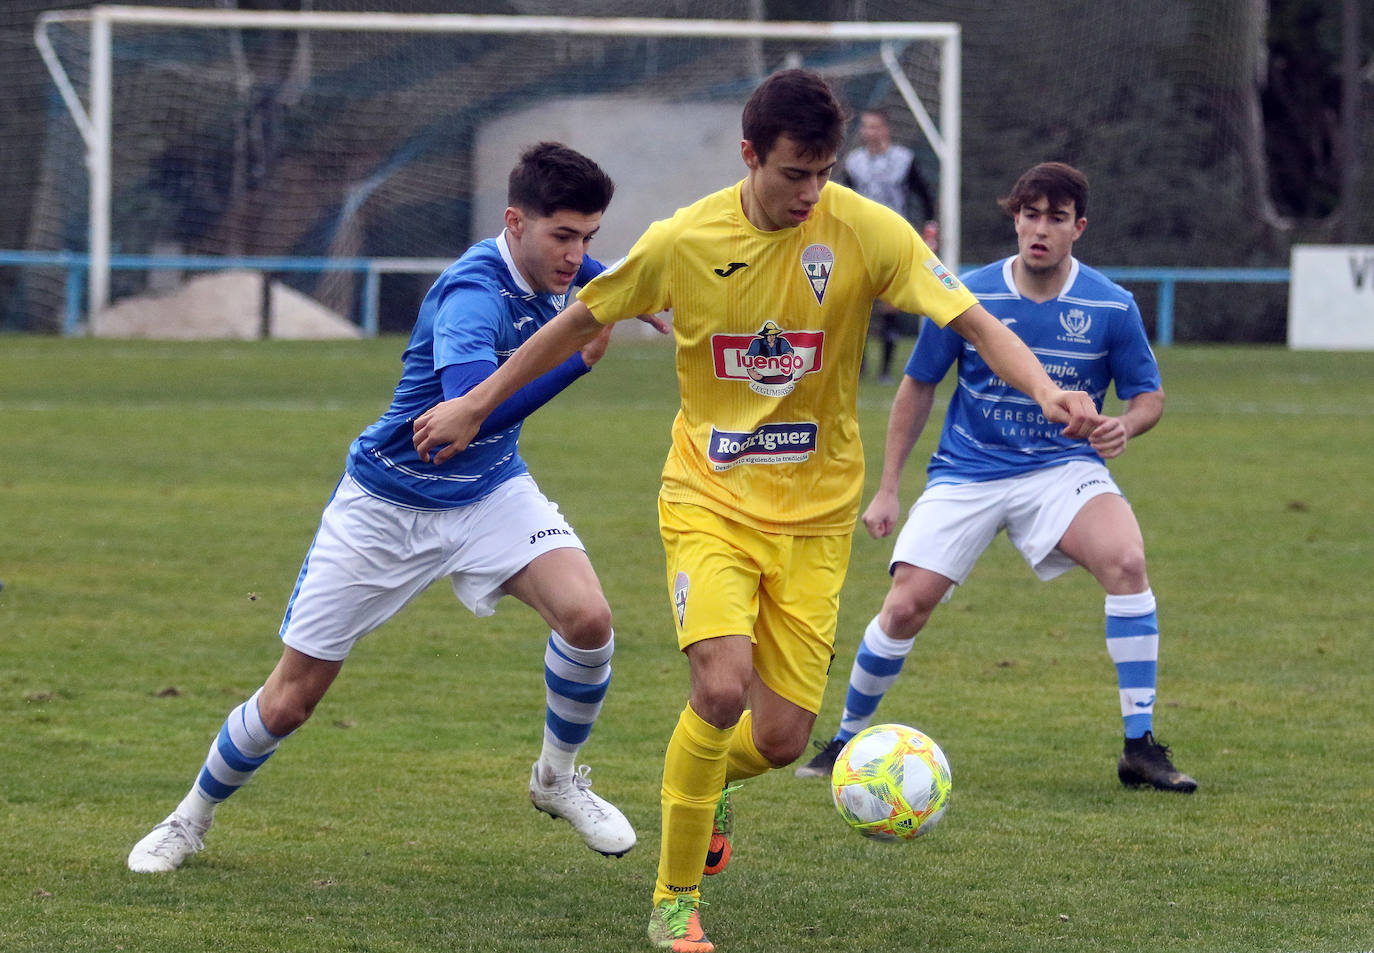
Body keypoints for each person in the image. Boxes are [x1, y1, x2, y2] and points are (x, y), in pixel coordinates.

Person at [410, 74, 1100, 953]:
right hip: (710, 500)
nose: (811, 192)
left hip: (817, 518)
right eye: (793, 173)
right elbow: (578, 319)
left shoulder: (866, 230)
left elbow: (973, 321)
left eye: (823, 173)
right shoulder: (685, 239)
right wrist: (475, 404)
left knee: (778, 739)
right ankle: (673, 902)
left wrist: (1045, 387)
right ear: (749, 156)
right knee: (720, 686)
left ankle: (717, 783)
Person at [126, 142, 665, 875]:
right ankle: (189, 818)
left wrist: (616, 282)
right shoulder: (471, 298)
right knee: (289, 701)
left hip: (488, 492)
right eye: (563, 237)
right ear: (514, 223)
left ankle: (556, 779)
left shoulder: (549, 264)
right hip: (387, 505)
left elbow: (577, 278)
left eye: (587, 237)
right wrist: (581, 360)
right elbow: (470, 413)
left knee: (589, 619)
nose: (575, 255)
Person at [794, 161, 1197, 795]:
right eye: (1030, 215)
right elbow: (918, 386)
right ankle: (845, 739)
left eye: (1056, 219)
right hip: (968, 470)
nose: (1041, 229)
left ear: (1078, 228)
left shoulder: (1110, 305)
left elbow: (1149, 396)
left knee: (1127, 561)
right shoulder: (966, 294)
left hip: (1061, 468)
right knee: (905, 605)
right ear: (1015, 220)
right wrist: (889, 488)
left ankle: (1140, 747)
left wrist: (1125, 424)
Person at [838, 108, 938, 383]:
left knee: (890, 305)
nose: (869, 131)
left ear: (886, 129)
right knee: (856, 302)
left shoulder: (903, 159)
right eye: (865, 126)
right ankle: (859, 367)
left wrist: (930, 231)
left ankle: (885, 370)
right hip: (861, 241)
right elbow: (844, 199)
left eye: (874, 126)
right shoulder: (854, 161)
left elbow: (925, 196)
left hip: (893, 238)